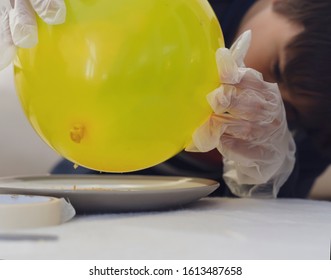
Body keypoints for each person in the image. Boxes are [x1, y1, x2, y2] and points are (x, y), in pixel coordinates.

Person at [1, 0, 331, 199]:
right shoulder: (189, 9)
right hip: (91, 174)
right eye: (277, 67)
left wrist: (268, 176)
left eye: (291, 111)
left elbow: (285, 220)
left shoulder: (318, 128)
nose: (263, 90)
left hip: (208, 226)